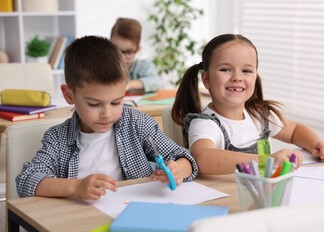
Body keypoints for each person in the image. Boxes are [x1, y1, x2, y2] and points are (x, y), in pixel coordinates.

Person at [16, 36, 198, 200]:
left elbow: (185, 158)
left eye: (116, 102)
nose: (107, 114)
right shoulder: (58, 138)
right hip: (81, 221)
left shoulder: (137, 123)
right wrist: (76, 187)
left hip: (135, 213)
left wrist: (177, 169)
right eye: (94, 104)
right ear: (69, 95)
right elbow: (27, 180)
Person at [171, 34, 324, 175]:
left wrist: (316, 144)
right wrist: (266, 161)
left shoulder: (259, 115)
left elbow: (294, 131)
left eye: (247, 71)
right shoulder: (205, 123)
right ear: (206, 79)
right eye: (225, 69)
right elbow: (202, 158)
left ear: (255, 77)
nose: (237, 77)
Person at [110, 17, 161, 94]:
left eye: (129, 52)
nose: (122, 58)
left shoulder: (142, 66)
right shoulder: (106, 66)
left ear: (138, 50)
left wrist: (130, 84)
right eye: (117, 51)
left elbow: (156, 82)